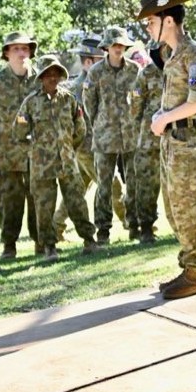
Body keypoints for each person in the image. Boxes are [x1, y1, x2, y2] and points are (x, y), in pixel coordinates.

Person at [137, 0, 196, 299]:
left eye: (150, 21)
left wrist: (164, 119)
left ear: (168, 21)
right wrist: (163, 114)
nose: (148, 28)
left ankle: (195, 273)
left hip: (187, 141)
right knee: (173, 208)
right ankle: (187, 268)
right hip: (174, 141)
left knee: (187, 207)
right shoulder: (172, 56)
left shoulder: (192, 53)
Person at [15, 55, 99, 261]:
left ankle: (89, 240)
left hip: (68, 162)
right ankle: (49, 247)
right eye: (48, 74)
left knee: (77, 202)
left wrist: (69, 148)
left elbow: (80, 128)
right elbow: (18, 132)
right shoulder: (30, 102)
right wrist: (34, 152)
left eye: (56, 74)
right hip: (42, 166)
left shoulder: (69, 99)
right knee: (44, 207)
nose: (53, 78)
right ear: (41, 77)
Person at [54, 37, 127, 241]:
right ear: (87, 63)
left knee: (78, 188)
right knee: (112, 183)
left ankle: (56, 226)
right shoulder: (78, 89)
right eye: (99, 58)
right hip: (86, 148)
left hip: (95, 145)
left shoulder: (98, 81)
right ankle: (132, 223)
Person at [0, 32, 40, 260]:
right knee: (8, 202)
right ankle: (9, 246)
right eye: (15, 48)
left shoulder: (40, 79)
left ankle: (42, 242)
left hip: (37, 153)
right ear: (6, 53)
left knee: (39, 199)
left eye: (25, 48)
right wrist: (0, 138)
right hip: (6, 154)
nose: (21, 53)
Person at [83, 26, 140, 244]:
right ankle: (103, 231)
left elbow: (139, 99)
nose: (118, 48)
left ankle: (135, 225)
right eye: (114, 44)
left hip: (130, 135)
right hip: (105, 137)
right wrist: (101, 123)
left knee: (134, 182)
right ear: (106, 47)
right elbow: (90, 105)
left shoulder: (135, 70)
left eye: (121, 45)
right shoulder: (95, 72)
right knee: (104, 186)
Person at [129, 52, 165, 244]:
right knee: (146, 187)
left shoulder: (178, 69)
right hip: (149, 141)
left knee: (176, 186)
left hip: (176, 139)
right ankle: (146, 229)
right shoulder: (146, 74)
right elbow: (135, 108)